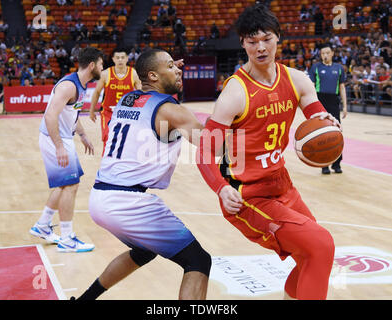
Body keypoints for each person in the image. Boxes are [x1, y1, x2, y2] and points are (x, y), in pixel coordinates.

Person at [196, 4, 339, 300]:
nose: (260, 48)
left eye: (266, 39)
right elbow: (204, 152)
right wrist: (221, 189)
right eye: (252, 41)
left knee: (312, 254)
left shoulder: (297, 79)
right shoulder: (234, 93)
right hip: (247, 195)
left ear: (278, 38)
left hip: (281, 183)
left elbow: (316, 112)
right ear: (242, 43)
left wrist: (327, 122)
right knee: (321, 244)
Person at [74, 49, 211, 300]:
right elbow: (214, 146)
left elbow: (147, 83)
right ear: (153, 76)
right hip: (129, 202)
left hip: (100, 198)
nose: (179, 69)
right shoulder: (170, 110)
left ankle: (84, 300)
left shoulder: (128, 99)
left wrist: (166, 70)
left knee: (143, 251)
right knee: (198, 261)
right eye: (172, 66)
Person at [30, 47, 104, 253]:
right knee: (71, 185)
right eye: (100, 64)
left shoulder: (80, 85)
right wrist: (60, 147)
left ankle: (43, 225)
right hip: (55, 139)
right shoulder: (68, 86)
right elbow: (50, 116)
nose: (102, 68)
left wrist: (82, 135)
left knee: (65, 185)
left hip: (63, 138)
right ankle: (66, 238)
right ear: (91, 66)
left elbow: (71, 114)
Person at [90, 47, 141, 154]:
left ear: (127, 58)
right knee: (108, 138)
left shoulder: (133, 73)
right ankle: (106, 165)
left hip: (127, 114)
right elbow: (97, 92)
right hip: (108, 113)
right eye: (117, 58)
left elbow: (142, 94)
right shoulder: (106, 74)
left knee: (127, 140)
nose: (120, 60)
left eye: (123, 57)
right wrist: (91, 110)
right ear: (113, 59)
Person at [309, 43, 347, 174]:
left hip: (334, 102)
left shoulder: (339, 68)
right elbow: (311, 87)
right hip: (320, 101)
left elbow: (342, 87)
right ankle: (324, 164)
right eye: (322, 53)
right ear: (320, 55)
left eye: (327, 52)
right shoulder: (315, 68)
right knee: (322, 134)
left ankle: (337, 164)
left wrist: (345, 106)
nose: (325, 55)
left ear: (332, 53)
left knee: (337, 132)